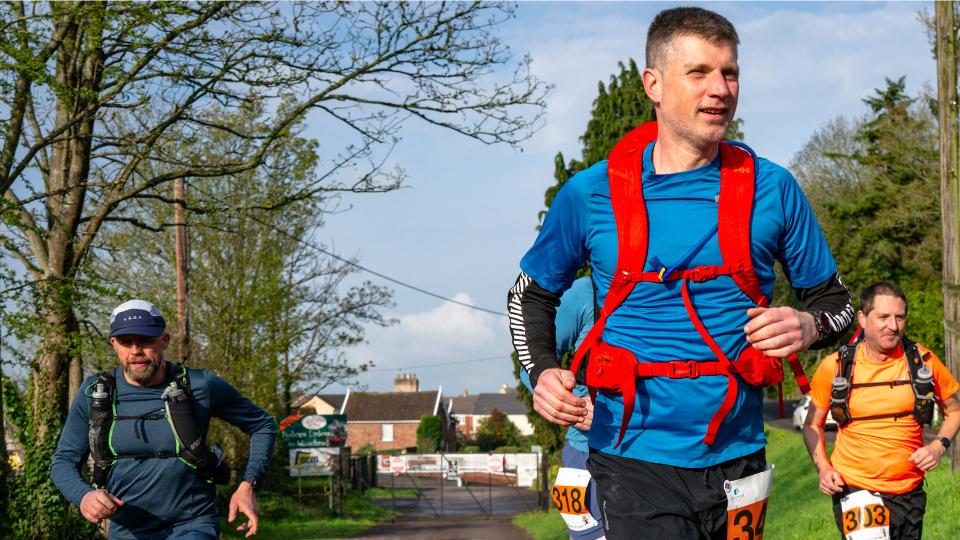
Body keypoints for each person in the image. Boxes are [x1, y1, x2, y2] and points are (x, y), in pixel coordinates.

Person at [507, 6, 854, 538]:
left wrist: (809, 327)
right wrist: (543, 372)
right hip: (629, 455)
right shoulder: (589, 194)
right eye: (698, 73)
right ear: (654, 84)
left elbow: (839, 305)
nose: (720, 88)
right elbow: (528, 293)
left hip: (742, 458)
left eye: (730, 72)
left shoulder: (775, 188)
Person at [51, 300, 277, 539]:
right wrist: (83, 496)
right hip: (126, 531)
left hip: (192, 525)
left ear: (164, 341)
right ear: (114, 345)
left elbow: (262, 424)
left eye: (146, 340)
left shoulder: (200, 385)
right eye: (127, 342)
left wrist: (247, 485)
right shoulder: (94, 393)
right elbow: (64, 460)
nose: (136, 351)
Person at [803, 282, 960, 539]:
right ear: (863, 318)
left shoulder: (924, 362)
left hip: (909, 492)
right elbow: (812, 425)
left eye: (899, 317)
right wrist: (823, 468)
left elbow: (954, 411)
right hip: (856, 489)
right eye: (884, 317)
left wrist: (939, 445)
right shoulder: (835, 367)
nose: (893, 326)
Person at [519, 277, 605, 540]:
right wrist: (577, 406)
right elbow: (532, 365)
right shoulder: (586, 292)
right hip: (587, 457)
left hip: (681, 457)